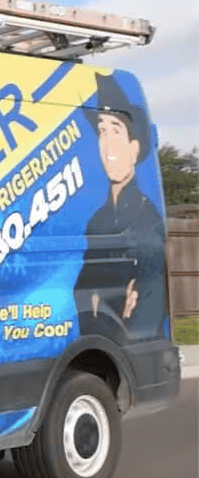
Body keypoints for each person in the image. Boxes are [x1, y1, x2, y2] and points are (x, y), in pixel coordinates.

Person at [72, 73, 167, 342]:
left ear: (134, 149)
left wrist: (99, 301)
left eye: (116, 130)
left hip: (130, 343)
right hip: (99, 340)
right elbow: (81, 291)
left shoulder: (146, 217)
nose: (108, 144)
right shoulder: (97, 220)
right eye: (102, 131)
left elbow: (149, 297)